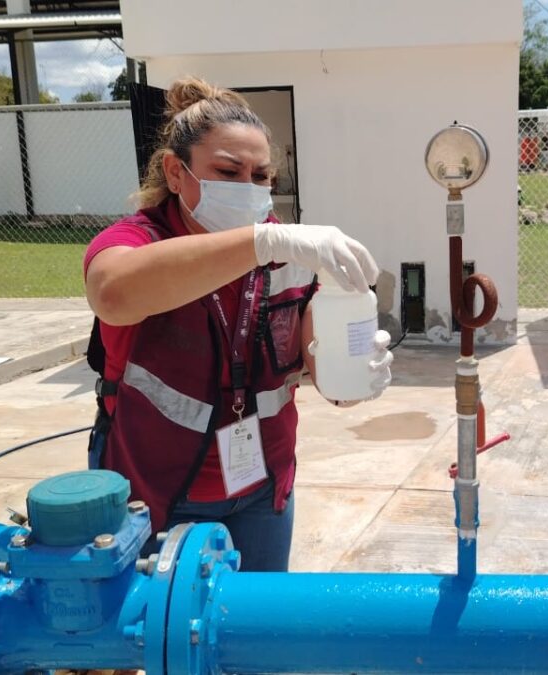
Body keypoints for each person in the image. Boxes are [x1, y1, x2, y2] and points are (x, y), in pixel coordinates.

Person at [83, 78, 392, 572]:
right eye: (228, 172)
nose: (249, 189)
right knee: (165, 638)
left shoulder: (287, 248)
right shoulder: (138, 240)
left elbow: (313, 349)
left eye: (262, 176)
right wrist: (262, 244)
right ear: (175, 172)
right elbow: (113, 294)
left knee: (256, 636)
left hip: (262, 489)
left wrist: (350, 371)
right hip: (154, 497)